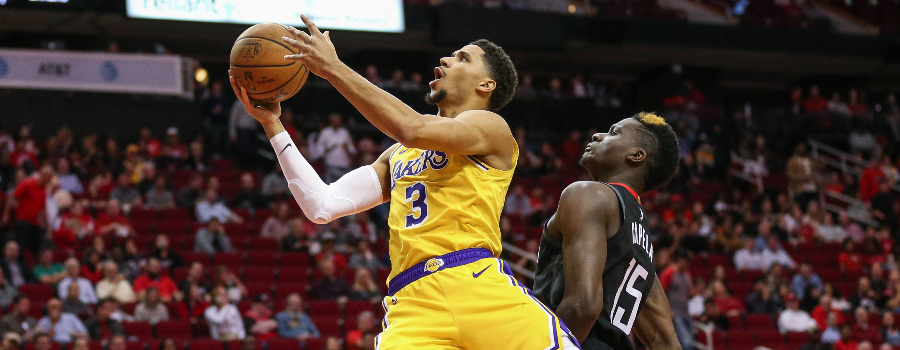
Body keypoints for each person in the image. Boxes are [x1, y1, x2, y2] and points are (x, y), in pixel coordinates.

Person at [232, 18, 575, 348]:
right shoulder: (397, 155)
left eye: (462, 58)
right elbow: (323, 205)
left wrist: (332, 68)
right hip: (412, 304)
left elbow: (413, 128)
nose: (445, 59)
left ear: (485, 85)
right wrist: (272, 125)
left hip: (475, 283)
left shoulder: (491, 126)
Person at [531, 113, 682, 349]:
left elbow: (583, 306)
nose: (597, 135)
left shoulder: (589, 194)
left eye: (613, 133)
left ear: (636, 155)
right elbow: (666, 343)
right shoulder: (641, 241)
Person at [12, 166, 53, 256]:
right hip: (23, 220)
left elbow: (43, 209)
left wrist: (47, 225)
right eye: (46, 177)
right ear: (41, 175)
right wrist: (8, 214)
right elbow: (13, 196)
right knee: (22, 246)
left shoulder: (44, 189)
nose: (47, 181)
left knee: (38, 246)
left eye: (49, 179)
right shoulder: (27, 183)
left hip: (35, 223)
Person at [315, 113, 357, 182]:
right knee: (331, 185)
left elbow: (353, 150)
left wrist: (347, 148)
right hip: (331, 164)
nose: (336, 122)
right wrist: (327, 149)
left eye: (337, 121)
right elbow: (319, 150)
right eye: (334, 121)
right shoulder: (325, 132)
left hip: (344, 164)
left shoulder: (344, 132)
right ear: (330, 121)